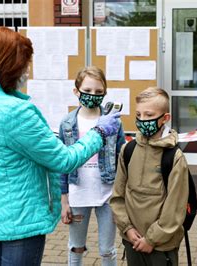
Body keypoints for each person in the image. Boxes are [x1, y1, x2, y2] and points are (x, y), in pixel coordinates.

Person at [0, 27, 120, 266]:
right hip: (20, 219)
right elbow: (64, 160)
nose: (27, 71)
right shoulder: (16, 111)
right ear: (9, 66)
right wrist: (100, 131)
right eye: (24, 64)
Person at [110, 87, 189, 266]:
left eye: (149, 115)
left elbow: (175, 209)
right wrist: (127, 229)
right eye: (139, 115)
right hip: (132, 240)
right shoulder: (128, 150)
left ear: (165, 118)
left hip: (162, 246)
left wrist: (151, 239)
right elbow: (117, 197)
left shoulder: (174, 157)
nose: (142, 120)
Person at [59, 66, 125, 266]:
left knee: (107, 250)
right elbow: (62, 164)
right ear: (76, 91)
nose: (93, 95)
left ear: (105, 92)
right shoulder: (67, 123)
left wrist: (122, 196)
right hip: (78, 194)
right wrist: (64, 202)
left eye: (98, 92)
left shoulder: (112, 122)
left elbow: (122, 158)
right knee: (76, 246)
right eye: (87, 91)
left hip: (107, 195)